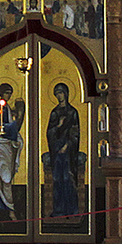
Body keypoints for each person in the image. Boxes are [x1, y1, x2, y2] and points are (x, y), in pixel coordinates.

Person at [0, 83, 25, 216]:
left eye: (10, 93)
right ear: (1, 93)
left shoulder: (7, 107)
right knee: (6, 179)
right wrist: (13, 126)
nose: (9, 95)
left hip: (7, 145)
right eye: (7, 92)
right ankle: (11, 210)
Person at [44, 82, 82, 219]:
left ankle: (72, 210)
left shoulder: (72, 112)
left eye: (61, 93)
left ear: (66, 94)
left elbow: (75, 132)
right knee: (57, 179)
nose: (59, 96)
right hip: (56, 150)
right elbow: (49, 133)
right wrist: (59, 126)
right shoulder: (54, 113)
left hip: (68, 151)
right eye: (57, 93)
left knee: (68, 179)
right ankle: (58, 210)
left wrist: (67, 145)